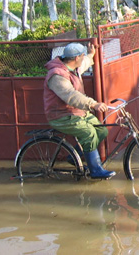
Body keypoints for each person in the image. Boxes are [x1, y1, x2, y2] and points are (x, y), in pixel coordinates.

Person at [43, 42, 116, 179]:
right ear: (76, 58)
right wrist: (93, 104)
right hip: (61, 116)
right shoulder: (57, 75)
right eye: (82, 56)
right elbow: (71, 96)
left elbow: (85, 63)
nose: (83, 58)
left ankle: (74, 156)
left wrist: (90, 54)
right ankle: (95, 170)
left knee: (101, 130)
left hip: (76, 113)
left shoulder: (73, 67)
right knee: (89, 133)